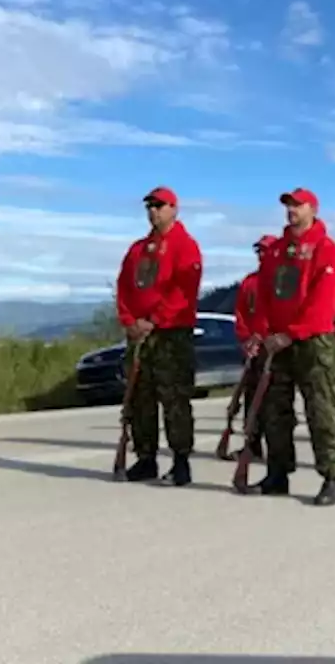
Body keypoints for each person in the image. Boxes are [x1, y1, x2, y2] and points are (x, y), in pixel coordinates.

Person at [245, 187, 335, 505]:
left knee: (321, 410)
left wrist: (292, 332)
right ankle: (278, 472)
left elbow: (323, 301)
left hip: (312, 341)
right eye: (288, 205)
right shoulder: (275, 251)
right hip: (277, 343)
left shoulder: (325, 249)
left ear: (313, 209)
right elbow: (262, 296)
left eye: (298, 205)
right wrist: (261, 332)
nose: (291, 210)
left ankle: (331, 476)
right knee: (275, 410)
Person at [115, 186, 204, 485]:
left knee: (174, 398)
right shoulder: (137, 249)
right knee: (140, 397)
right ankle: (146, 457)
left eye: (160, 205)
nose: (154, 211)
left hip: (170, 334)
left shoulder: (185, 245)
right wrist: (129, 320)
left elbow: (183, 290)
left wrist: (154, 319)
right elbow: (124, 287)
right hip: (140, 335)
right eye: (150, 206)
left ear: (174, 209)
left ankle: (180, 462)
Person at [229, 234, 278, 460]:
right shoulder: (250, 282)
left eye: (266, 250)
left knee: (274, 403)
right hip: (254, 348)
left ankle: (278, 451)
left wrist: (268, 337)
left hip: (275, 348)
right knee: (251, 399)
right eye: (259, 251)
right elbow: (241, 314)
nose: (262, 255)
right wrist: (247, 339)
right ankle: (252, 444)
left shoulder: (282, 281)